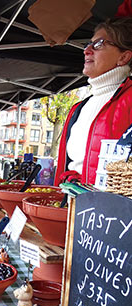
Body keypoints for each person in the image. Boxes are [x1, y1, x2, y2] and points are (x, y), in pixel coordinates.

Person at [55, 18, 132, 185]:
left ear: (124, 57)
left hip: (112, 210)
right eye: (88, 45)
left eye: (99, 44)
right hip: (73, 205)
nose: (87, 50)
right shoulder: (78, 108)